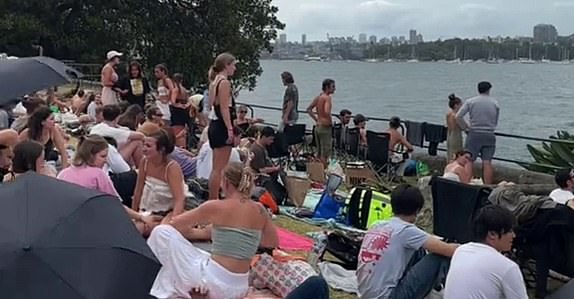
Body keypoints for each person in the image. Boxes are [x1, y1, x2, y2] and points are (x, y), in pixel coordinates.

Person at [147, 161, 279, 299]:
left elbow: (175, 225)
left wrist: (168, 215)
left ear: (226, 182)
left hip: (212, 283)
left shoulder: (216, 206)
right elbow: (271, 242)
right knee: (200, 255)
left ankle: (146, 280)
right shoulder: (259, 209)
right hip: (239, 287)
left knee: (161, 232)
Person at [357, 184, 456, 299]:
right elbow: (449, 251)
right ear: (417, 210)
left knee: (419, 249)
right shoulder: (407, 231)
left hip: (365, 294)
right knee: (438, 257)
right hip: (389, 296)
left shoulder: (376, 225)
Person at [444, 206, 527, 299]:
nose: (514, 235)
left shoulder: (461, 251)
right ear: (492, 234)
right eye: (510, 231)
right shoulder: (507, 267)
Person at [132, 129, 186, 235]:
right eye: (143, 145)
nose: (143, 149)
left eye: (148, 146)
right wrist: (134, 215)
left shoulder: (172, 167)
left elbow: (179, 199)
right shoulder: (144, 162)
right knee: (136, 228)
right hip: (148, 211)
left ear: (161, 150)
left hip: (167, 212)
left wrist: (174, 221)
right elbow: (138, 191)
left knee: (163, 231)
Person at [207, 53, 239, 200]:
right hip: (221, 125)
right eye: (233, 65)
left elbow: (211, 106)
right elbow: (224, 108)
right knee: (220, 168)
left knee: (216, 167)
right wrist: (230, 129)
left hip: (214, 124)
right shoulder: (224, 83)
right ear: (227, 65)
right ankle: (214, 199)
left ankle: (214, 197)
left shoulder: (214, 82)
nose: (235, 68)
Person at [456, 81, 499, 185]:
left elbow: (458, 116)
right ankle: (487, 186)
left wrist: (465, 128)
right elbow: (496, 120)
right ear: (489, 90)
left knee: (469, 160)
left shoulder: (471, 102)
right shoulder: (495, 103)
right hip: (489, 134)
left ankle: (467, 182)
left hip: (474, 133)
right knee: (487, 162)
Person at [307, 79, 335, 168]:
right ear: (327, 87)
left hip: (318, 126)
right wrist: (330, 121)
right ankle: (323, 172)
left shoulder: (319, 97)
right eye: (333, 87)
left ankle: (316, 171)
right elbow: (327, 111)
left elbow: (309, 109)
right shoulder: (327, 97)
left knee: (318, 151)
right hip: (325, 127)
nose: (334, 89)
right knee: (325, 152)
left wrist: (316, 119)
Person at [170, 73, 191, 148]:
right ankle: (184, 145)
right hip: (184, 112)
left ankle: (178, 146)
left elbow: (173, 101)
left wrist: (179, 105)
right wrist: (185, 106)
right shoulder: (184, 90)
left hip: (176, 112)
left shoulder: (175, 90)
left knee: (176, 130)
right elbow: (189, 101)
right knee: (183, 130)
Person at [446, 94, 463, 160]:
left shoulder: (448, 114)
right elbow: (463, 126)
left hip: (449, 135)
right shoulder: (456, 116)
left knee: (450, 154)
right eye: (460, 105)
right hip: (456, 136)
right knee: (456, 154)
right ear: (456, 105)